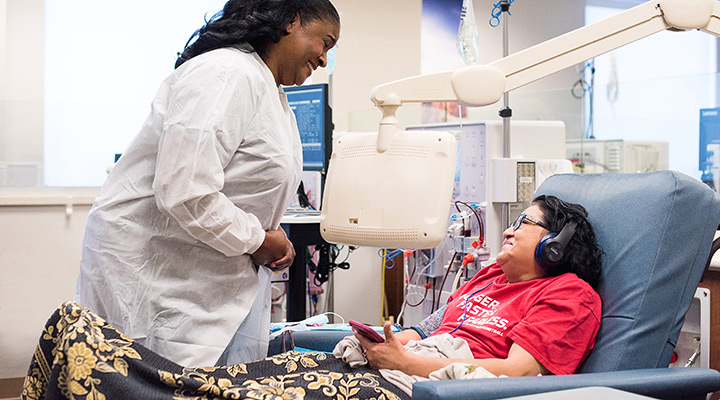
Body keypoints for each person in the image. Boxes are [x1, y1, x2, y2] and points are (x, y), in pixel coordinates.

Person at [74, 0, 340, 368]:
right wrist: (260, 239)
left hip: (202, 276)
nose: (325, 59)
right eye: (325, 42)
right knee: (151, 382)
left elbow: (241, 183)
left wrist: (269, 234)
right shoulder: (227, 72)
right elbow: (186, 189)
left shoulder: (270, 91)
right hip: (158, 277)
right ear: (292, 21)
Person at [352, 194, 603, 380]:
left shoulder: (570, 295)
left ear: (554, 245)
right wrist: (381, 343)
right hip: (415, 364)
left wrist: (405, 363)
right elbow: (427, 330)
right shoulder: (492, 274)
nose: (507, 231)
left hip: (441, 386)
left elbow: (519, 372)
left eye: (522, 223)